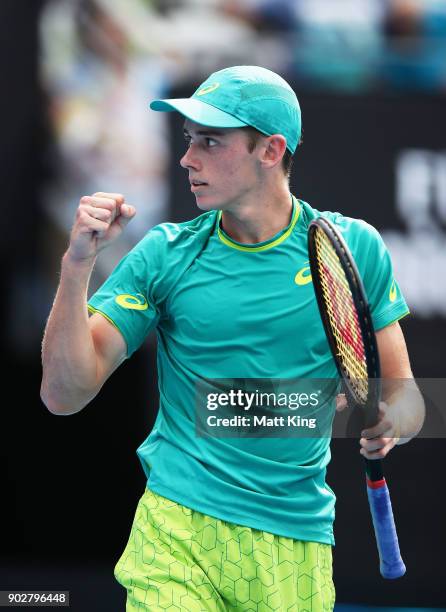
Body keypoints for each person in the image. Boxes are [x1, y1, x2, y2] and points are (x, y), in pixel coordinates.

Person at [41, 65, 424, 611]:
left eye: (211, 142)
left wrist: (392, 423)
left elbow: (406, 399)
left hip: (294, 545)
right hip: (175, 531)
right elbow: (63, 394)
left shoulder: (351, 246)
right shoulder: (165, 254)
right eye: (189, 140)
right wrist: (77, 265)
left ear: (270, 151)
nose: (187, 159)